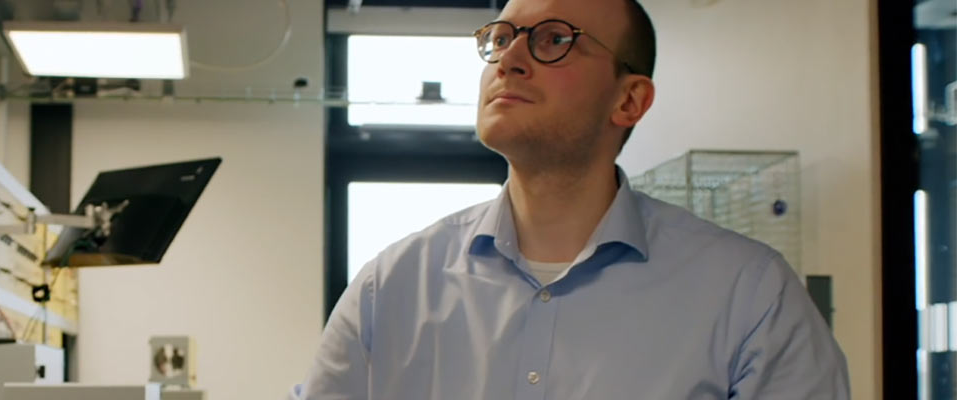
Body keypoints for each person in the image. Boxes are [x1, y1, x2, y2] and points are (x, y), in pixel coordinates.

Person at [290, 0, 849, 398]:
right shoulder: (389, 289)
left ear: (629, 100)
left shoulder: (749, 294)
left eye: (554, 40)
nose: (508, 59)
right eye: (500, 38)